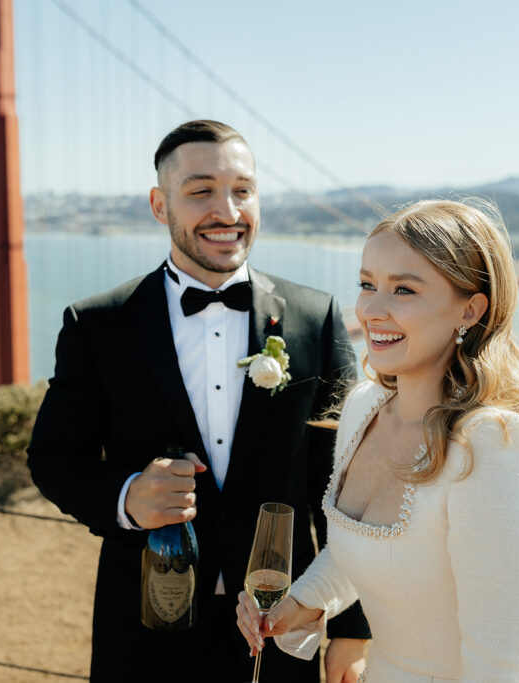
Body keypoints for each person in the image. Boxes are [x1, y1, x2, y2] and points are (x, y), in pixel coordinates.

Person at [27, 120, 370, 682]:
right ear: (160, 205)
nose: (228, 211)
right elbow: (53, 457)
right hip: (145, 626)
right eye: (201, 190)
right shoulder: (97, 325)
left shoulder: (317, 317)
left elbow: (342, 489)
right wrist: (126, 496)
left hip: (284, 623)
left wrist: (352, 629)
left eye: (243, 189)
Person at [235, 199, 519, 681]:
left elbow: (498, 672)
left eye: (404, 290)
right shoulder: (362, 409)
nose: (371, 310)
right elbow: (368, 550)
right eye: (367, 284)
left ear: (471, 310)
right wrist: (304, 602)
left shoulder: (495, 450)